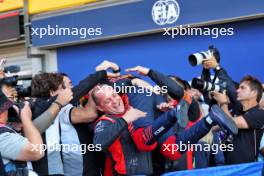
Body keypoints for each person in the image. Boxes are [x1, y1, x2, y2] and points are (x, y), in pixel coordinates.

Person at [92, 83, 238, 175]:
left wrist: (162, 114)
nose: (114, 101)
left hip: (151, 170)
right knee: (146, 142)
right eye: (107, 101)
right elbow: (98, 144)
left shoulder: (134, 107)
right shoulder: (105, 121)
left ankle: (209, 120)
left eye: (114, 95)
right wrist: (125, 119)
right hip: (125, 173)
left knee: (172, 149)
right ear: (100, 107)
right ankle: (178, 114)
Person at [30, 60, 120, 176]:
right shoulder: (43, 106)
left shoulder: (47, 106)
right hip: (54, 168)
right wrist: (100, 74)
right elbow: (88, 109)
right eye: (65, 88)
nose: (69, 91)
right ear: (52, 92)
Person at [211, 75, 264, 164]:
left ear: (254, 93)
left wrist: (223, 103)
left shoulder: (260, 113)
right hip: (225, 168)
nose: (237, 90)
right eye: (238, 88)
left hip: (244, 170)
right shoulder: (236, 113)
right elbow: (214, 128)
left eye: (242, 88)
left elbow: (230, 123)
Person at [0, 89, 44, 175]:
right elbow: (37, 151)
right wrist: (26, 119)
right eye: (8, 108)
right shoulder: (2, 136)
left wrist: (18, 128)